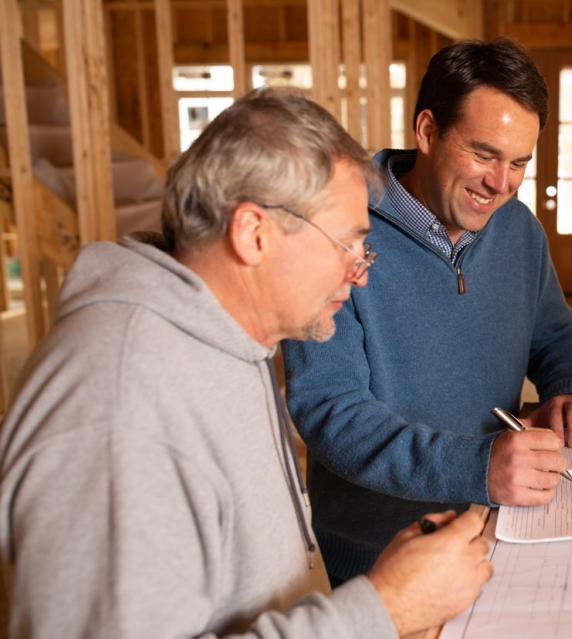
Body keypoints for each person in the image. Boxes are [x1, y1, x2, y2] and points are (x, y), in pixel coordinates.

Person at [0, 88, 491, 637]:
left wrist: (391, 602)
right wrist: (383, 609)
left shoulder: (232, 340)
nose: (362, 273)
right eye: (349, 245)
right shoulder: (117, 405)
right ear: (253, 233)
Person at [282, 38, 572, 584]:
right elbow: (329, 411)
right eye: (483, 154)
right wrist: (476, 467)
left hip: (500, 532)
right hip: (381, 562)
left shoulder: (519, 228)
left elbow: (555, 337)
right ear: (427, 131)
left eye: (518, 163)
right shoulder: (336, 230)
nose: (500, 185)